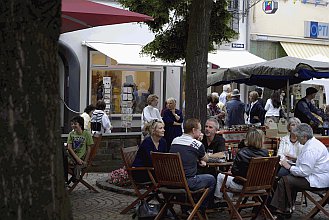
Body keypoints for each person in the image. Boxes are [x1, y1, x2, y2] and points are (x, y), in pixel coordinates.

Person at [270, 123, 329, 217]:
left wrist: (289, 167)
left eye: (298, 137)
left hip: (317, 180)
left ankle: (280, 209)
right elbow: (307, 164)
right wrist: (294, 161)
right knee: (287, 179)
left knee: (285, 180)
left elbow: (303, 172)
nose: (297, 138)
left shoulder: (311, 149)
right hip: (317, 175)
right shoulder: (312, 143)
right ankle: (285, 207)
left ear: (304, 136)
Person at [170, 118, 216, 214]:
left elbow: (186, 156)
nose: (201, 132)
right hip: (188, 182)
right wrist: (198, 141)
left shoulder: (174, 140)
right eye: (199, 130)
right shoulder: (197, 144)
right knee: (211, 179)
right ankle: (200, 208)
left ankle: (185, 208)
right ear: (194, 130)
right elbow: (206, 159)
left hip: (171, 180)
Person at [214, 128, 268, 207]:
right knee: (228, 180)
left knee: (220, 176)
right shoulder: (265, 153)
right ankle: (228, 202)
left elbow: (234, 172)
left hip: (243, 185)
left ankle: (218, 200)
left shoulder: (242, 152)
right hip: (260, 185)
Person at [67, 116, 94, 181]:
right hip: (72, 157)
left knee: (77, 166)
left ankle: (75, 178)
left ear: (80, 125)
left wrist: (85, 161)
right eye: (72, 124)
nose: (73, 125)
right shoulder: (71, 134)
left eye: (75, 124)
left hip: (81, 158)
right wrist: (77, 159)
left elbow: (89, 149)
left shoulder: (86, 134)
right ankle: (68, 179)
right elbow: (69, 148)